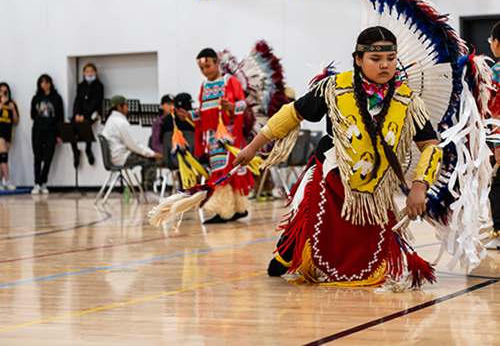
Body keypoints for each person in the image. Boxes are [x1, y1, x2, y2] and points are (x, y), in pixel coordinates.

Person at [234, 26, 442, 286]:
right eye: (376, 59)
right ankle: (287, 252)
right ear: (358, 59)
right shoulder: (334, 88)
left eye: (390, 58)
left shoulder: (407, 101)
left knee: (369, 261)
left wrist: (419, 187)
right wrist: (252, 147)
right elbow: (292, 114)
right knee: (309, 222)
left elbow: (431, 146)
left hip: (375, 191)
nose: (385, 65)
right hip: (331, 178)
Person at [177, 48, 253, 224]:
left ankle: (223, 210)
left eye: (208, 66)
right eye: (201, 69)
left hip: (229, 134)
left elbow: (243, 103)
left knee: (225, 171)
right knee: (224, 169)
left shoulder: (229, 81)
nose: (205, 71)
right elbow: (204, 112)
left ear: (218, 63)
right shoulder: (204, 86)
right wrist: (189, 115)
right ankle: (237, 208)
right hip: (213, 136)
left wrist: (231, 107)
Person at [102, 95, 164, 201]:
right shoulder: (120, 122)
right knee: (149, 160)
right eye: (126, 106)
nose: (128, 109)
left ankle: (144, 192)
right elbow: (134, 145)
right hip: (121, 157)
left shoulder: (111, 120)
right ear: (119, 107)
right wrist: (152, 154)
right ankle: (147, 192)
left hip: (115, 157)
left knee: (145, 158)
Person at [31, 74, 64, 194]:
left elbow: (60, 116)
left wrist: (59, 134)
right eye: (42, 82)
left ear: (50, 83)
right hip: (37, 131)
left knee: (48, 158)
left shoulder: (56, 98)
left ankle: (44, 181)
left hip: (51, 131)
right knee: (37, 158)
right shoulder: (36, 98)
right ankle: (36, 183)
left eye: (47, 82)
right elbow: (32, 115)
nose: (44, 84)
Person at [71, 62, 104, 167]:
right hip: (81, 112)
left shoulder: (99, 86)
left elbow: (95, 102)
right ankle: (75, 151)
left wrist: (84, 115)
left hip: (92, 112)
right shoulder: (81, 86)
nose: (89, 74)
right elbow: (77, 101)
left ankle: (88, 149)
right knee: (70, 126)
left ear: (95, 73)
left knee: (86, 125)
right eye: (87, 71)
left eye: (92, 71)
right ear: (83, 73)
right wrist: (77, 114)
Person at [486, 21, 500, 250]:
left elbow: (495, 111)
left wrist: (497, 143)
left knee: (497, 186)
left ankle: (499, 232)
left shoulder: (496, 72)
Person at [0, 83, 19, 191]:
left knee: (2, 158)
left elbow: (16, 121)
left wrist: (13, 110)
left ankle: (0, 182)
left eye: (5, 91)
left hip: (8, 133)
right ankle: (7, 180)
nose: (3, 93)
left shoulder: (12, 104)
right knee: (3, 155)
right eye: (1, 91)